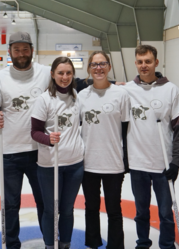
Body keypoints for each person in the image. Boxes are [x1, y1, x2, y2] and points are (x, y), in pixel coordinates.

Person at [0, 31, 49, 249]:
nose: (21, 53)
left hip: (40, 151)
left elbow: (73, 82)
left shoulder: (46, 73)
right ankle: (11, 244)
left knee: (45, 202)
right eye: (17, 49)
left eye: (25, 49)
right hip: (9, 152)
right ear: (9, 51)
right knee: (10, 204)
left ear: (32, 50)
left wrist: (114, 84)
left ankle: (50, 241)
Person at [123, 45, 179, 249]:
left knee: (166, 212)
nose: (144, 66)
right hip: (137, 163)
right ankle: (143, 243)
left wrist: (176, 162)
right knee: (141, 211)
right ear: (136, 63)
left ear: (156, 63)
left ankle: (167, 245)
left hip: (163, 165)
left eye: (148, 61)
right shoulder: (127, 91)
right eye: (140, 62)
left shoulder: (171, 90)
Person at [78, 51, 130, 249]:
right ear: (89, 69)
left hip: (113, 163)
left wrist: (127, 160)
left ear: (108, 67)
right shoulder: (82, 96)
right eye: (94, 64)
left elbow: (126, 129)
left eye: (102, 64)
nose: (98, 68)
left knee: (114, 210)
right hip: (88, 162)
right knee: (91, 208)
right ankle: (93, 244)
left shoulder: (121, 94)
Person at [31, 56, 84, 249]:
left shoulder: (76, 96)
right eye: (60, 73)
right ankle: (49, 245)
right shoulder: (44, 99)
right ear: (52, 74)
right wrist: (48, 139)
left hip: (75, 164)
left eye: (69, 73)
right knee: (50, 210)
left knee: (67, 210)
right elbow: (35, 131)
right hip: (49, 164)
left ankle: (65, 244)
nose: (65, 77)